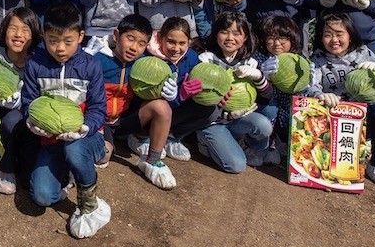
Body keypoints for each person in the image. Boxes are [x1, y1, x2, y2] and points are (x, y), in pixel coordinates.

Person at [20, 2, 110, 239]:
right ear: (44, 36)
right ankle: (68, 174)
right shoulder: (35, 64)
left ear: (81, 36)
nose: (60, 48)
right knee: (41, 196)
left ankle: (90, 204)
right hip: (50, 142)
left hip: (87, 138)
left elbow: (100, 108)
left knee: (74, 149)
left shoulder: (91, 66)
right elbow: (29, 102)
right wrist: (31, 121)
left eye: (68, 41)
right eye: (52, 40)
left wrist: (84, 128)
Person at [307, 12, 375, 189]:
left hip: (363, 116)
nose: (334, 40)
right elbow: (310, 85)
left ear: (350, 35)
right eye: (327, 35)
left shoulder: (363, 53)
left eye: (339, 34)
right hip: (333, 121)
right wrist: (320, 94)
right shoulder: (317, 60)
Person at [90, 15, 178, 190]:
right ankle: (105, 143)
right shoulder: (97, 59)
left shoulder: (144, 64)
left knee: (162, 107)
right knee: (103, 156)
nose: (134, 48)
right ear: (116, 35)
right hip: (99, 122)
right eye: (130, 39)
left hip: (124, 120)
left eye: (141, 43)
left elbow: (169, 70)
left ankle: (152, 160)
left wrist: (171, 92)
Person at [196, 12, 275, 172]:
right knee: (236, 166)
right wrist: (228, 115)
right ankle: (205, 142)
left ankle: (243, 144)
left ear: (245, 37)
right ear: (216, 34)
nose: (230, 38)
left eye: (237, 33)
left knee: (263, 125)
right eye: (224, 32)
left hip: (238, 120)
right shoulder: (206, 59)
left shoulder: (250, 62)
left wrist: (258, 76)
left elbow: (266, 97)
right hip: (212, 122)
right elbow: (199, 101)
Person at [0, 7, 40, 195]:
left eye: (26, 29)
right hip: (1, 118)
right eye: (13, 28)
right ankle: (0, 165)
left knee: (29, 179)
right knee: (12, 120)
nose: (18, 34)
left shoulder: (39, 61)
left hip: (32, 119)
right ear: (4, 30)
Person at [147, 17, 205, 162]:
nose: (176, 48)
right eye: (171, 41)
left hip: (175, 107)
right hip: (149, 110)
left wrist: (219, 92)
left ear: (189, 42)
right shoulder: (148, 57)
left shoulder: (192, 57)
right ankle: (141, 136)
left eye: (182, 43)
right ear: (160, 38)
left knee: (211, 108)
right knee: (160, 107)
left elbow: (198, 85)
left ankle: (170, 137)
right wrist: (176, 98)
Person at [253, 14, 305, 158]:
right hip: (266, 106)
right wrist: (261, 73)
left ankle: (290, 144)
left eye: (283, 38)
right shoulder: (258, 57)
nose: (277, 43)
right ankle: (266, 145)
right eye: (271, 38)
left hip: (288, 107)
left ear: (292, 39)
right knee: (270, 110)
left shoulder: (300, 60)